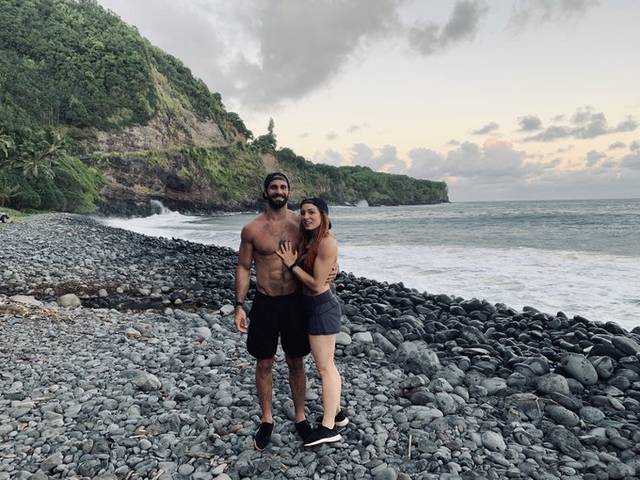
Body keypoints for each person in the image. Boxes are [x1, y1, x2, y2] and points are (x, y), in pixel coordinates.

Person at [234, 173, 334, 451]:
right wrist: (239, 305)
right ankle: (267, 419)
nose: (279, 191)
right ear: (265, 192)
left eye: (283, 187)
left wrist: (334, 269)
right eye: (274, 187)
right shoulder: (252, 229)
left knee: (296, 361)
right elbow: (243, 267)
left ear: (289, 192)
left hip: (294, 301)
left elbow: (324, 245)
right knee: (264, 362)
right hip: (265, 302)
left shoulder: (300, 224)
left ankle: (300, 416)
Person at [275, 197, 347, 447]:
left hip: (321, 307)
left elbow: (316, 284)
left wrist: (291, 264)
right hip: (310, 306)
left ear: (323, 215)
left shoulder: (326, 241)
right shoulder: (311, 239)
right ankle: (338, 414)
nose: (306, 216)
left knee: (325, 367)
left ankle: (328, 427)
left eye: (311, 212)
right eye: (303, 212)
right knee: (326, 365)